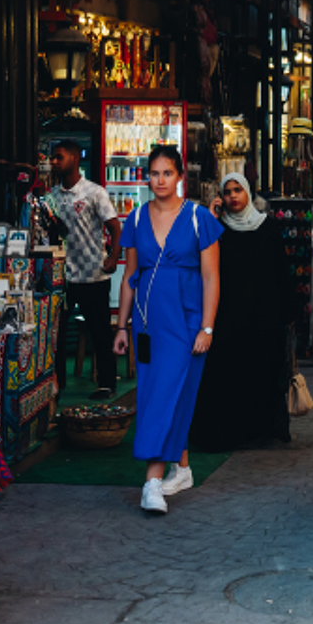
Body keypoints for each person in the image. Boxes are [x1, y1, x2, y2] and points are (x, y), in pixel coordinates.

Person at [113, 145, 224, 515]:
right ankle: (184, 469)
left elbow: (212, 277)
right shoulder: (136, 218)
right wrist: (121, 325)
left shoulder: (198, 218)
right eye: (154, 173)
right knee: (161, 392)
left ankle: (151, 482)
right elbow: (130, 277)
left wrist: (207, 326)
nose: (160, 180)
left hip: (187, 319)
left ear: (180, 177)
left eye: (167, 173)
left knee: (164, 394)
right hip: (147, 322)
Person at [192, 173, 295, 451]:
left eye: (238, 190)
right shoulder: (219, 231)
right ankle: (234, 431)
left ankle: (261, 430)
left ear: (248, 192)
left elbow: (281, 273)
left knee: (262, 371)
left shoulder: (267, 227)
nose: (233, 196)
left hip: (264, 317)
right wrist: (212, 219)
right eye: (227, 192)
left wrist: (287, 314)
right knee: (230, 373)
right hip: (228, 316)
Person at [47, 139, 122, 396]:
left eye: (59, 157)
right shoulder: (52, 197)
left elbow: (114, 226)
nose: (54, 162)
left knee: (100, 333)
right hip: (64, 278)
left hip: (94, 275)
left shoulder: (94, 192)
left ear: (75, 158)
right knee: (56, 333)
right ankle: (58, 384)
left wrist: (113, 257)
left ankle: (107, 383)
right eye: (52, 158)